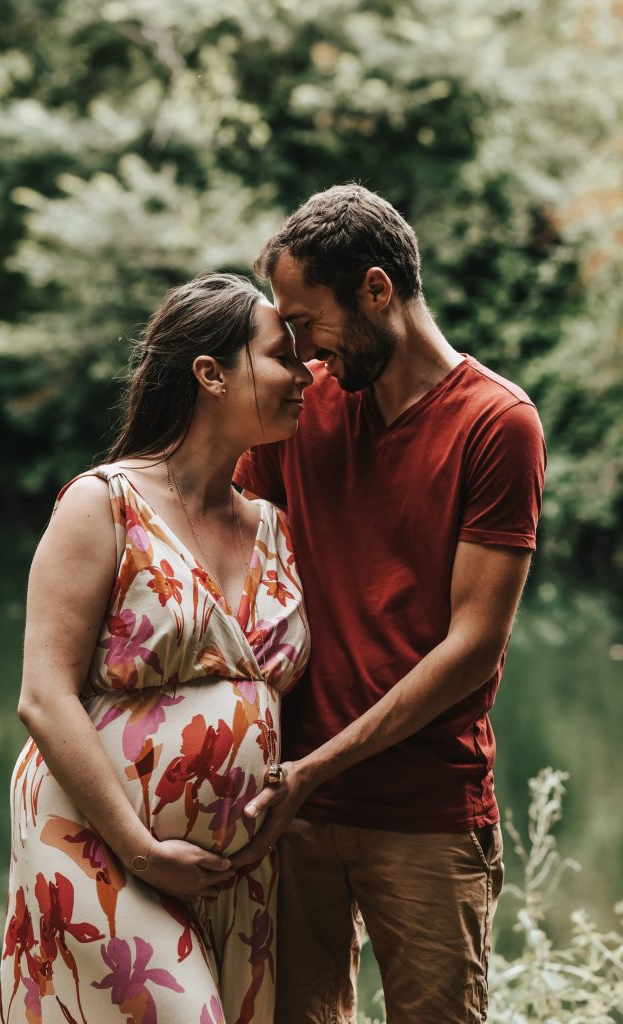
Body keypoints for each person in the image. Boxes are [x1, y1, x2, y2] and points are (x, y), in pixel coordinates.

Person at [232, 185, 547, 1024]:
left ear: (377, 290)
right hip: (291, 809)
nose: (297, 353)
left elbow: (471, 647)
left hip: (426, 814)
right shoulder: (303, 410)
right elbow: (217, 547)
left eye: (305, 323)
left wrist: (317, 768)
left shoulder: (496, 424)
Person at [0, 273, 313, 1024]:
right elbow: (43, 695)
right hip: (99, 845)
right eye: (282, 357)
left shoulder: (272, 524)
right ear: (210, 373)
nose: (307, 376)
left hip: (234, 870)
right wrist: (141, 849)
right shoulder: (102, 502)